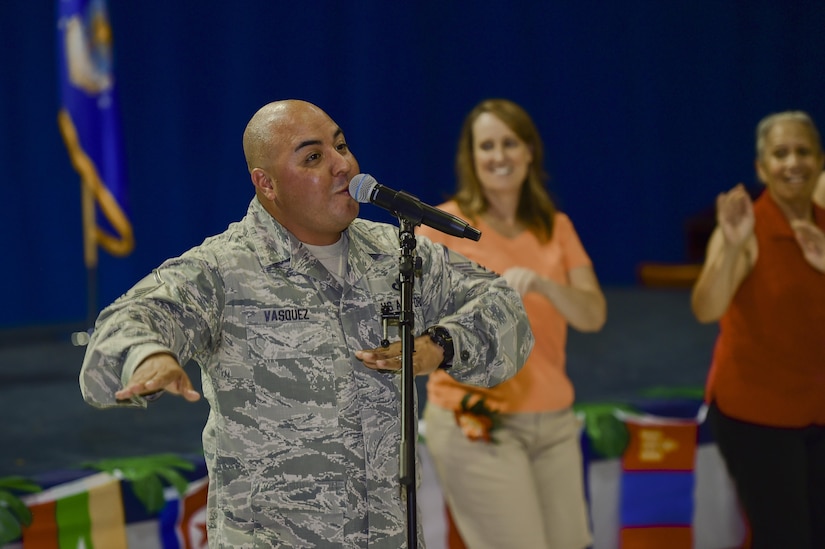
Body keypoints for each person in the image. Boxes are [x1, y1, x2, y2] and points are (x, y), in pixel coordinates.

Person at [79, 99, 534, 548]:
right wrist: (149, 355)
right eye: (314, 157)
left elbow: (502, 303)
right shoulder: (222, 269)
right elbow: (128, 321)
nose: (342, 165)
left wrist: (439, 345)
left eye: (341, 145)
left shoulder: (393, 254)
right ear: (267, 184)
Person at [418, 98, 607, 549]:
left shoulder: (556, 227)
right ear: (472, 157)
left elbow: (593, 315)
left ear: (529, 153)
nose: (499, 156)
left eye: (509, 143)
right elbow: (416, 332)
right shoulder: (442, 229)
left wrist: (544, 285)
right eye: (487, 146)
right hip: (479, 425)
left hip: (554, 424)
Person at [691, 110, 825, 548]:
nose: (793, 163)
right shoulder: (746, 228)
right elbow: (706, 308)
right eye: (780, 153)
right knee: (787, 538)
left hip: (817, 410)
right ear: (761, 168)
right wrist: (730, 247)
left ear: (820, 161)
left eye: (803, 151)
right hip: (756, 416)